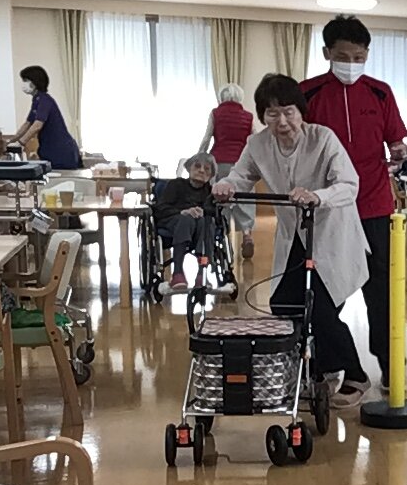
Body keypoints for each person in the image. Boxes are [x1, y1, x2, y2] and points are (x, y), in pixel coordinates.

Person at [213, 74, 372, 410]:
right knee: (284, 304)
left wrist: (318, 195)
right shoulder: (258, 144)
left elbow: (349, 183)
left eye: (288, 112)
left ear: (301, 111)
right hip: (294, 236)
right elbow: (240, 175)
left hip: (330, 233)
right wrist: (227, 185)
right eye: (272, 114)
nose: (282, 121)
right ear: (262, 116)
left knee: (320, 308)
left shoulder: (323, 139)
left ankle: (356, 375)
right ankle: (316, 371)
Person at [300, 16, 407, 392]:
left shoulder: (380, 92)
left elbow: (396, 141)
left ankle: (390, 364)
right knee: (326, 291)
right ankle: (329, 363)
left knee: (381, 292)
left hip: (374, 205)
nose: (351, 63)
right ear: (327, 53)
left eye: (359, 57)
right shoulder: (308, 93)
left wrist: (400, 151)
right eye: (343, 56)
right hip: (328, 209)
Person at [200, 83, 257, 258]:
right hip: (242, 162)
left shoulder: (216, 114)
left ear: (221, 97)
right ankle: (246, 235)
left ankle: (223, 236)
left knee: (220, 197)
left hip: (219, 162)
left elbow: (207, 137)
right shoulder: (248, 116)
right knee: (245, 199)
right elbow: (254, 140)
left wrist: (200, 156)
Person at [153, 152, 217, 292]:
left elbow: (216, 213)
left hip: (199, 228)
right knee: (186, 219)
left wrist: (204, 212)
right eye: (197, 166)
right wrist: (182, 211)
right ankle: (177, 273)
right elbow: (161, 208)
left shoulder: (211, 192)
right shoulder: (175, 185)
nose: (201, 170)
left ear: (211, 175)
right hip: (173, 221)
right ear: (188, 168)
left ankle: (202, 273)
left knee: (206, 222)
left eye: (207, 169)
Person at [5, 66, 80, 169]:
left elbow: (37, 125)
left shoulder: (44, 100)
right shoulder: (37, 100)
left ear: (35, 82)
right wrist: (11, 141)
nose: (23, 84)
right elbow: (27, 124)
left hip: (61, 151)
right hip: (50, 149)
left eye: (25, 80)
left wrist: (20, 143)